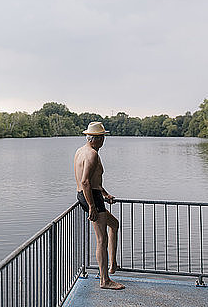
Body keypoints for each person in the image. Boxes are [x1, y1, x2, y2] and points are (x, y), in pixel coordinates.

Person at [74, 122, 125, 290]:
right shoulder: (92, 155)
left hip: (91, 195)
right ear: (95, 139)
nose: (104, 140)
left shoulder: (80, 151)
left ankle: (112, 264)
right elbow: (85, 181)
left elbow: (94, 181)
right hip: (91, 197)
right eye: (102, 137)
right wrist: (92, 206)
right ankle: (105, 280)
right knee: (101, 239)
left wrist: (105, 194)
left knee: (114, 224)